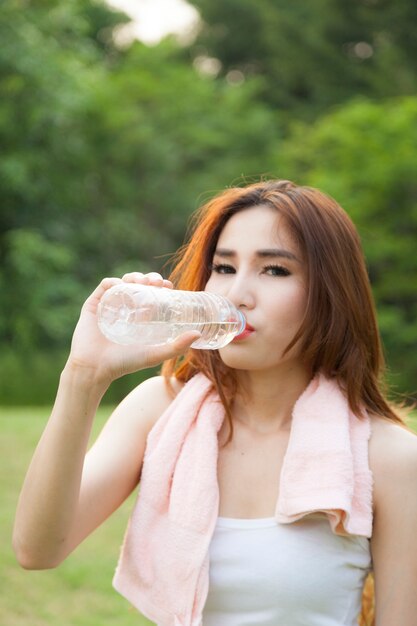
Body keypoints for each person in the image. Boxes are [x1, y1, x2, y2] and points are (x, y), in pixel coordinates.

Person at [13, 179, 417, 626]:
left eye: (275, 270)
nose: (235, 294)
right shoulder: (160, 409)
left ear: (330, 295)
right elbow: (37, 549)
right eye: (224, 268)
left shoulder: (388, 458)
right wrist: (83, 377)